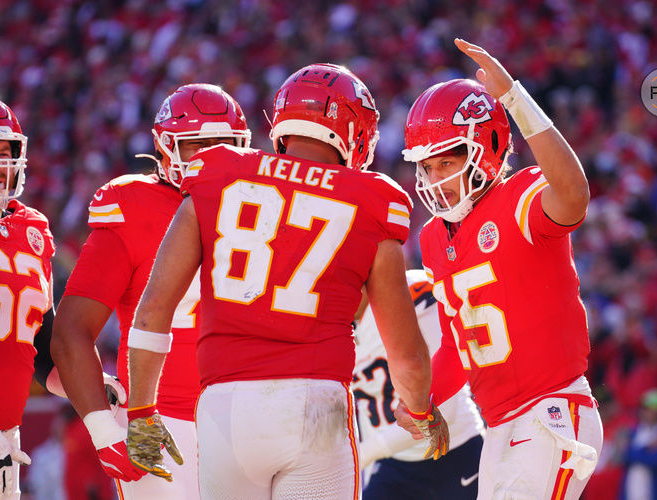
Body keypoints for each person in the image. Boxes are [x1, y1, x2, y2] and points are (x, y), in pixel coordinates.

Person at [123, 63, 448, 500]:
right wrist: (420, 410)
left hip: (224, 408)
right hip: (315, 405)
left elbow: (153, 309)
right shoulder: (373, 198)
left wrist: (142, 408)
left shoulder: (217, 172)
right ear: (355, 133)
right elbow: (406, 355)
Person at [397, 38, 603, 499]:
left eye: (445, 162)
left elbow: (572, 196)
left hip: (550, 410)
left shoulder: (520, 198)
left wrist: (514, 98)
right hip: (501, 425)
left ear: (485, 149)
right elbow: (458, 336)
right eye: (426, 167)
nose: (434, 180)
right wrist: (426, 401)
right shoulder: (432, 237)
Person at [50, 83, 251, 499]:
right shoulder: (133, 204)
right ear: (165, 148)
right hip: (161, 423)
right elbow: (71, 331)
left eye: (225, 145)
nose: (213, 157)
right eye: (199, 145)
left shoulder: (262, 200)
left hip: (252, 418)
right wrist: (105, 432)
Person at [353, 268, 484, 499]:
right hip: (394, 464)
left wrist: (362, 455)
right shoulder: (329, 325)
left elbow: (443, 409)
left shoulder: (410, 293)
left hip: (455, 451)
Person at [0, 99, 58, 500]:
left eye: (2, 153)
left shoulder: (32, 228)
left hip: (6, 439)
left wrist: (90, 384)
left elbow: (44, 346)